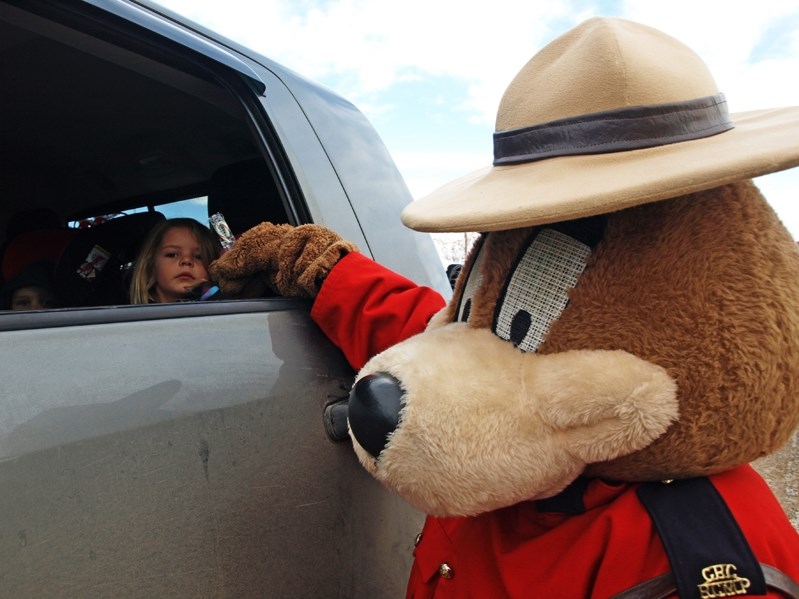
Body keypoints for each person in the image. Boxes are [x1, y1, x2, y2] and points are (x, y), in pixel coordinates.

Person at [129, 218, 221, 304]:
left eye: (198, 256)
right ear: (150, 267)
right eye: (172, 254)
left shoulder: (223, 305)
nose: (186, 261)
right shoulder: (132, 318)